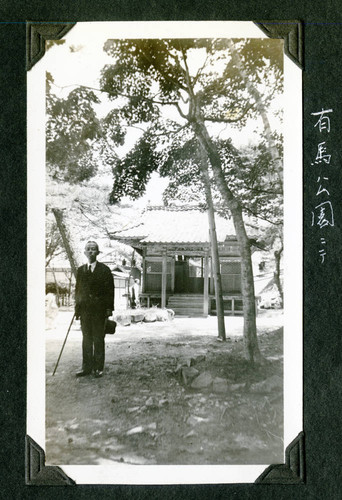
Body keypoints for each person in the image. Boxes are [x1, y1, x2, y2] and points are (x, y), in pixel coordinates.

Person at [75, 241, 114, 378]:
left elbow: (110, 291)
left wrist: (109, 309)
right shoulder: (81, 271)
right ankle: (86, 367)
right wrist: (77, 309)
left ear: (98, 252)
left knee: (98, 338)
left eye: (93, 249)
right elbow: (78, 291)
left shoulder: (104, 270)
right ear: (85, 252)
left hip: (99, 310)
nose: (91, 251)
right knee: (86, 339)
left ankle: (98, 368)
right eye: (88, 249)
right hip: (85, 311)